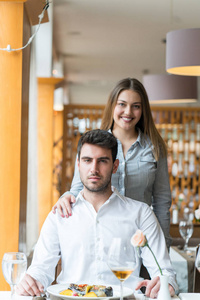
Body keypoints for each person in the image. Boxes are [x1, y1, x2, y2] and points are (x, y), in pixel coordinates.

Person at [16, 130, 178, 298]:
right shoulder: (59, 214)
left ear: (115, 166)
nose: (94, 169)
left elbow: (164, 271)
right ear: (78, 164)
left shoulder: (141, 213)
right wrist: (30, 281)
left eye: (102, 161)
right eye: (87, 160)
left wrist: (165, 283)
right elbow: (40, 270)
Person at [52, 78, 172, 249]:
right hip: (102, 239)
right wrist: (65, 197)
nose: (128, 112)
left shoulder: (155, 147)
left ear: (143, 110)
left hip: (141, 242)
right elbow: (78, 189)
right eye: (122, 104)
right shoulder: (94, 145)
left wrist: (163, 245)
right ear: (112, 106)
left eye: (136, 106)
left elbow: (161, 201)